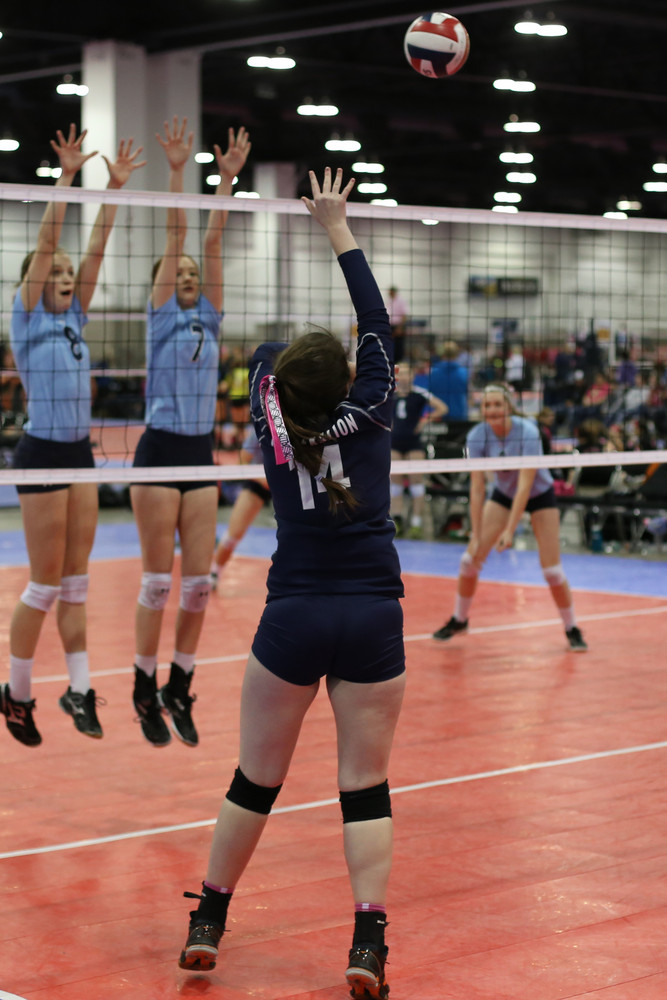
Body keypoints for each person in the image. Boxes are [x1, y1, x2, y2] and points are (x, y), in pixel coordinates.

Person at [178, 167, 405, 1000]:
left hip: (294, 618)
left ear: (282, 392)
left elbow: (270, 362)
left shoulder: (274, 429)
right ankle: (367, 942)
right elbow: (375, 321)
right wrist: (337, 226)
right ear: (348, 379)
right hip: (371, 617)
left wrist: (302, 369)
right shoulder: (373, 410)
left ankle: (208, 920)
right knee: (364, 786)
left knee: (255, 778)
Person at [0, 124, 146, 747]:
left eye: (68, 272)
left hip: (81, 454)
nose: (65, 274)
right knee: (44, 583)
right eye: (54, 270)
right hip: (41, 456)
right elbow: (48, 241)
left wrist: (112, 189)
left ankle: (79, 689)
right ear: (37, 280)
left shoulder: (77, 315)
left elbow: (96, 247)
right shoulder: (27, 318)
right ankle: (16, 694)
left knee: (76, 582)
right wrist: (64, 179)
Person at [130, 117, 250, 748]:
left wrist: (225, 181)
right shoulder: (159, 316)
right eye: (176, 272)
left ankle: (180, 683)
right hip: (158, 451)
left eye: (191, 273)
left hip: (199, 453)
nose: (187, 274)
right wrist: (179, 172)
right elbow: (179, 235)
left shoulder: (210, 312)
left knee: (198, 585)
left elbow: (210, 240)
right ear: (163, 280)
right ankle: (142, 686)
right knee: (157, 583)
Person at [432, 383, 588, 652]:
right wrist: (476, 534)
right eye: (487, 405)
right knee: (469, 560)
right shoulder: (477, 436)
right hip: (503, 494)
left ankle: (572, 627)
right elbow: (477, 488)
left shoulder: (528, 432)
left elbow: (525, 485)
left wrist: (510, 530)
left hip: (539, 494)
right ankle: (460, 619)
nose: (492, 409)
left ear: (509, 408)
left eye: (498, 404)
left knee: (552, 570)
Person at [210, 424, 271, 588]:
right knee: (233, 534)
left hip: (289, 483)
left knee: (300, 532)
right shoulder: (262, 425)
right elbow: (242, 461)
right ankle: (214, 572)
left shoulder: (300, 423)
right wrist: (264, 479)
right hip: (260, 480)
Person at [391, 364, 447, 538]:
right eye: (401, 374)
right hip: (394, 442)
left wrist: (424, 420)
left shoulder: (420, 393)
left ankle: (416, 522)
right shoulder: (390, 394)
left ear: (412, 376)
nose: (404, 377)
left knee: (416, 481)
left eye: (407, 374)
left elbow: (442, 408)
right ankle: (397, 519)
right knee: (395, 483)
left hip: (414, 442)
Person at [417, 339, 468, 419]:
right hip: (459, 415)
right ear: (456, 354)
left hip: (438, 416)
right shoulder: (464, 372)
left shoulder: (433, 372)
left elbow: (428, 394)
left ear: (442, 354)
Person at [384, 285, 409, 363]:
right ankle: (390, 361)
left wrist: (400, 328)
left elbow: (404, 315)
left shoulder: (401, 301)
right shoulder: (388, 301)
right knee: (389, 345)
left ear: (394, 292)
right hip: (389, 326)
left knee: (399, 346)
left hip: (398, 326)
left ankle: (399, 362)